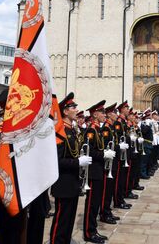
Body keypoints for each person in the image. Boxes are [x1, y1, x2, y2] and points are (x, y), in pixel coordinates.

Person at [49, 92, 91, 244]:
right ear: (65, 111)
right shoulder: (60, 133)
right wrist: (78, 162)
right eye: (73, 107)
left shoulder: (72, 131)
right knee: (61, 220)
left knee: (69, 220)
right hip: (63, 183)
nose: (76, 109)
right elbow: (57, 161)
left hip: (73, 181)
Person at [83, 100, 113, 243]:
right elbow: (89, 151)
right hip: (93, 171)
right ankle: (89, 232)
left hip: (99, 169)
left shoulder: (97, 130)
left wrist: (105, 152)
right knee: (92, 203)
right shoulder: (91, 130)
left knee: (95, 202)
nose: (104, 114)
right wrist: (103, 154)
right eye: (102, 112)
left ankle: (93, 229)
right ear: (95, 114)